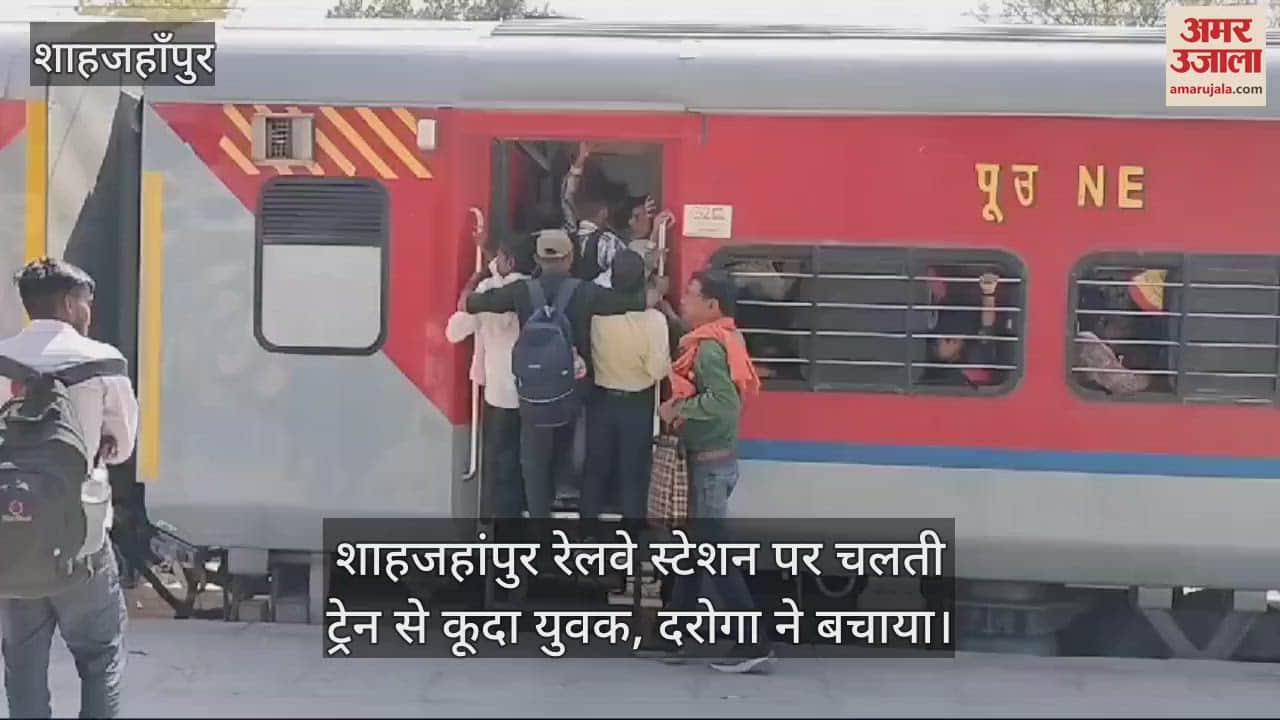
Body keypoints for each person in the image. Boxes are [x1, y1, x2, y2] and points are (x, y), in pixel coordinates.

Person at [0, 258, 139, 719]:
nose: (89, 311)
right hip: (83, 537)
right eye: (86, 301)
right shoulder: (103, 362)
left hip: (13, 531)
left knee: (22, 662)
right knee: (100, 655)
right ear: (68, 302)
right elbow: (122, 447)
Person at [464, 230, 644, 518]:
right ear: (570, 258)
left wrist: (476, 278)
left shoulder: (521, 290)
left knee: (533, 462)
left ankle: (540, 524)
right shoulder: (586, 292)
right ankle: (568, 492)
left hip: (534, 388)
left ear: (537, 259)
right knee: (574, 445)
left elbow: (471, 304)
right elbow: (633, 303)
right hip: (575, 389)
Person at [655, 269, 772, 674]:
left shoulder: (708, 349)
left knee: (711, 554)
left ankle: (752, 642)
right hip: (712, 463)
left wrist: (677, 408)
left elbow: (724, 403)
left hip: (709, 466)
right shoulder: (724, 338)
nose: (684, 301)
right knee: (693, 552)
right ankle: (675, 637)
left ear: (711, 305)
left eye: (691, 295)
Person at [580, 250, 671, 533]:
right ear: (642, 280)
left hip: (600, 400)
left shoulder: (595, 313)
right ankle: (632, 536)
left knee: (595, 467)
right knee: (633, 471)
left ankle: (586, 532)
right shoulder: (654, 321)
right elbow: (658, 371)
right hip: (637, 404)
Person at [447, 233, 536, 518]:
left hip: (498, 392)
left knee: (499, 462)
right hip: (534, 392)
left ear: (508, 261)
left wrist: (475, 280)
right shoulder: (536, 289)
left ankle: (499, 522)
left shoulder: (486, 291)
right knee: (527, 461)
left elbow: (454, 332)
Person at [921, 272, 1004, 388]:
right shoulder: (976, 351)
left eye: (941, 340)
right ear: (956, 356)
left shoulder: (935, 326)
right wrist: (988, 291)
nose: (944, 339)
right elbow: (988, 325)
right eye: (950, 340)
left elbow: (937, 295)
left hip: (953, 283)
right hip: (979, 291)